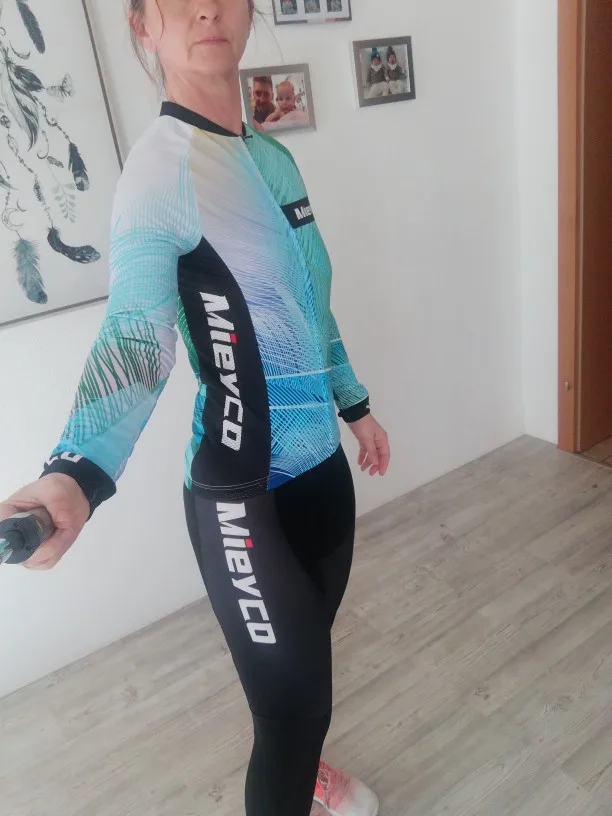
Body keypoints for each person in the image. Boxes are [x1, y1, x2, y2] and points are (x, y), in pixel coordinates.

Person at [0, 1, 390, 815]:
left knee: (306, 670)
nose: (205, 8)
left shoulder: (274, 160)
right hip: (243, 496)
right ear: (143, 27)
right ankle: (297, 772)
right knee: (290, 714)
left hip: (323, 474)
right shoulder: (160, 174)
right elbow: (137, 335)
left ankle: (308, 774)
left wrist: (354, 405)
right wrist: (75, 470)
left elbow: (311, 306)